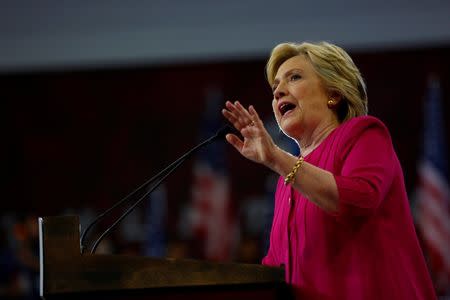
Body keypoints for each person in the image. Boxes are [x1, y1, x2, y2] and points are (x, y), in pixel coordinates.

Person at [222, 41, 436, 299]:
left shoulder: (364, 134)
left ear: (333, 94)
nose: (278, 92)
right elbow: (277, 268)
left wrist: (276, 158)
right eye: (275, 86)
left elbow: (359, 199)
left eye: (294, 78)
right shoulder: (286, 182)